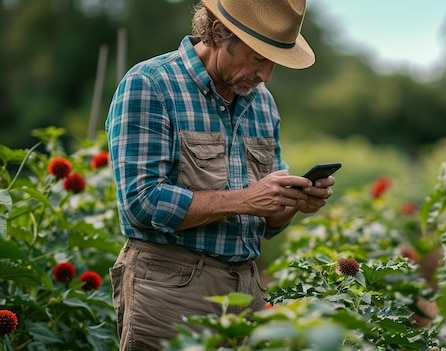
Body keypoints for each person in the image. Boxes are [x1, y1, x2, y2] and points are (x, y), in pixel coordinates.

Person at [104, 0, 335, 349]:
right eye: (260, 57)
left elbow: (267, 220)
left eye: (275, 62)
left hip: (246, 289)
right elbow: (142, 203)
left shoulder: (262, 102)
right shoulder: (150, 85)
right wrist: (247, 199)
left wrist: (294, 201)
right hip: (172, 290)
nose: (267, 75)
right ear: (218, 34)